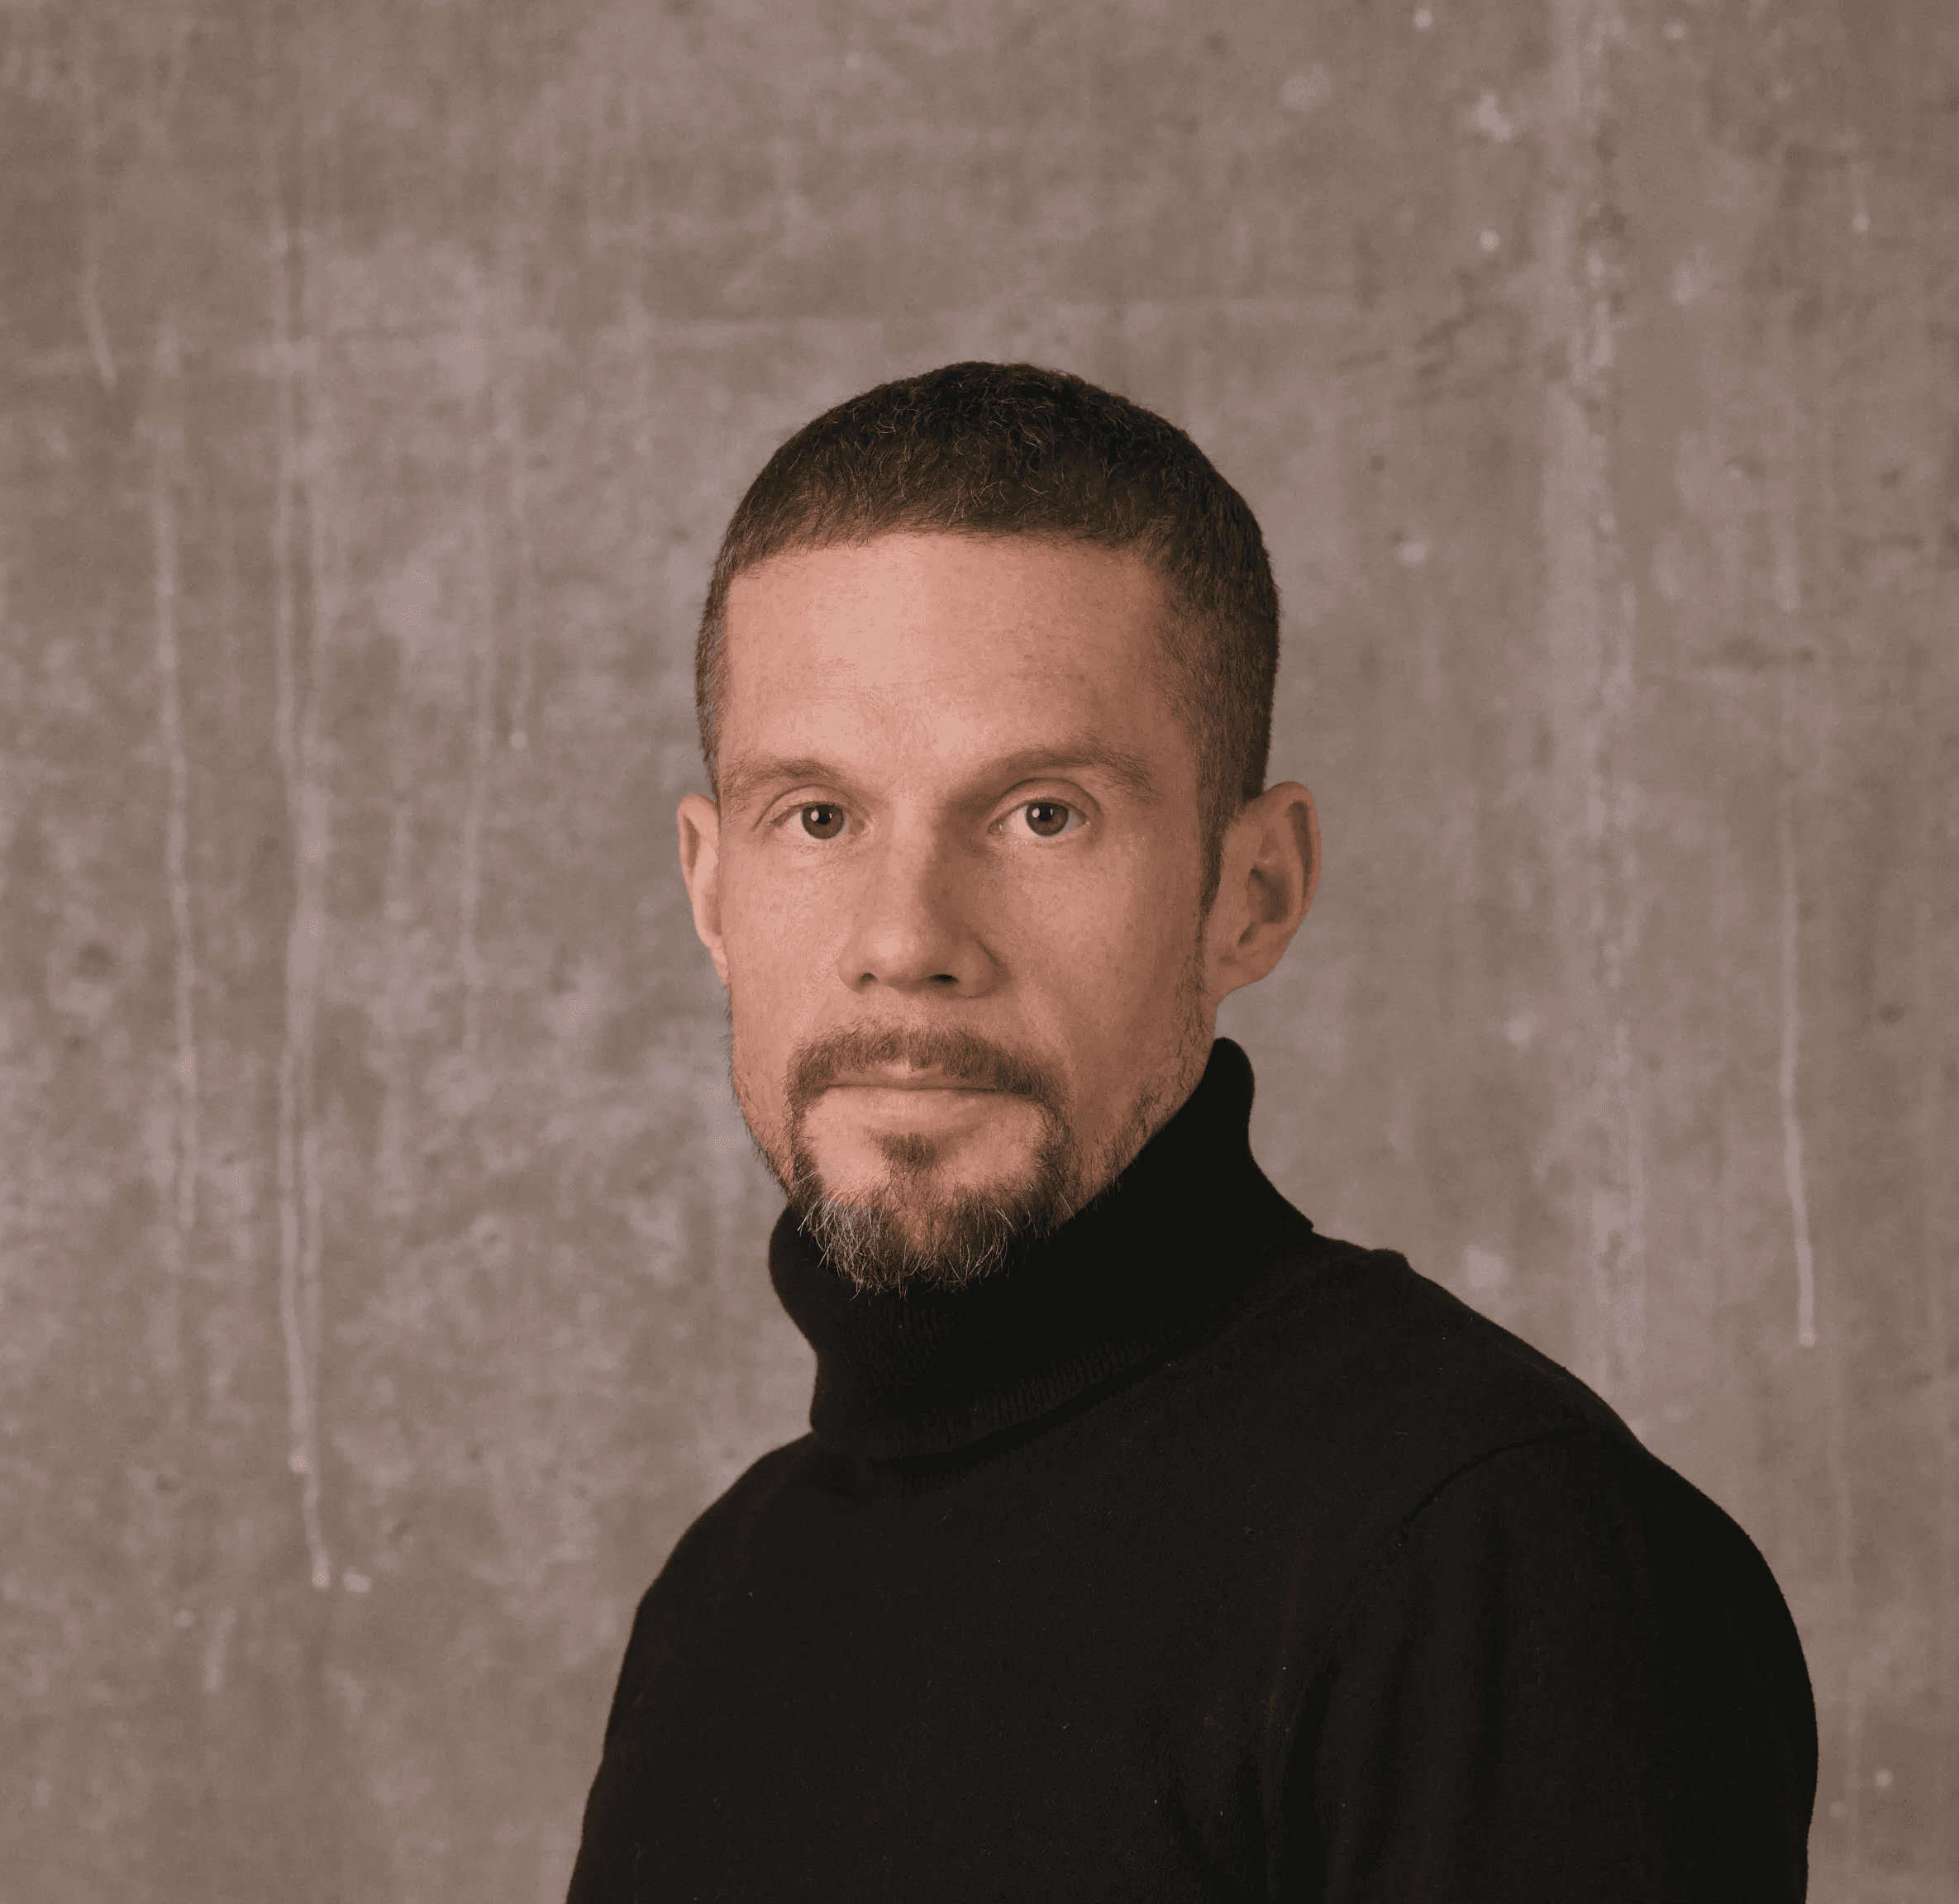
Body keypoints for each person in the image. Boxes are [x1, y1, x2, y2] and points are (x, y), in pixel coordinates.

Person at [565, 362, 1817, 1902]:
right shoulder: (721, 1601)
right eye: (816, 817)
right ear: (710, 891)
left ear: (1252, 894)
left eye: (1042, 814)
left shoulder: (1490, 1552)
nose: (906, 941)